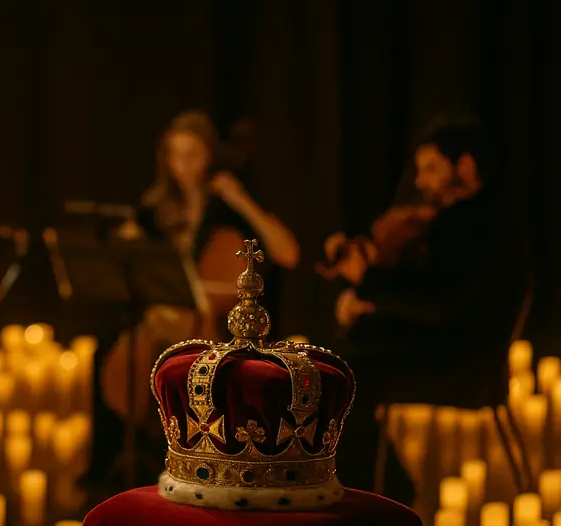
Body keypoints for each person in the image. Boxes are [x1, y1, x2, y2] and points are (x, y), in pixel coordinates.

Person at [80, 110, 300, 490]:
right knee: (109, 347)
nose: (183, 165)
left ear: (210, 155)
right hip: (162, 317)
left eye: (192, 154)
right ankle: (113, 460)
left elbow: (289, 254)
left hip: (215, 324)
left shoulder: (228, 206)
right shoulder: (155, 207)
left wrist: (242, 200)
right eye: (174, 154)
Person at [325, 116, 526, 505]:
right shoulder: (477, 217)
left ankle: (371, 501)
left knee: (348, 379)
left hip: (465, 369)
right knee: (348, 357)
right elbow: (433, 296)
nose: (420, 183)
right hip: (454, 353)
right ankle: (380, 491)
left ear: (464, 166)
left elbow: (437, 301)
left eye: (431, 169)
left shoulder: (478, 223)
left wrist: (368, 284)